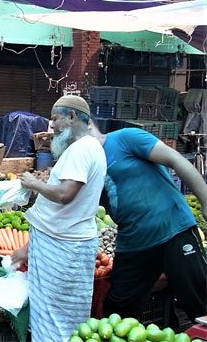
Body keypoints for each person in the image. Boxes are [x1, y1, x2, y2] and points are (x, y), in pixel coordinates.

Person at [11, 95, 106, 342]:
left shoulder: (81, 149)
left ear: (72, 117)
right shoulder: (91, 147)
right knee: (63, 315)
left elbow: (65, 194)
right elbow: (61, 210)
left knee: (55, 317)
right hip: (65, 243)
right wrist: (29, 248)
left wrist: (34, 183)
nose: (51, 126)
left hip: (64, 248)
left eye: (55, 119)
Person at [89, 125, 207, 322]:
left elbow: (175, 158)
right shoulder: (86, 161)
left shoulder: (125, 138)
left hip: (172, 228)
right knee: (117, 309)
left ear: (79, 120)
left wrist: (205, 201)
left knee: (199, 301)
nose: (55, 128)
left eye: (58, 120)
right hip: (133, 240)